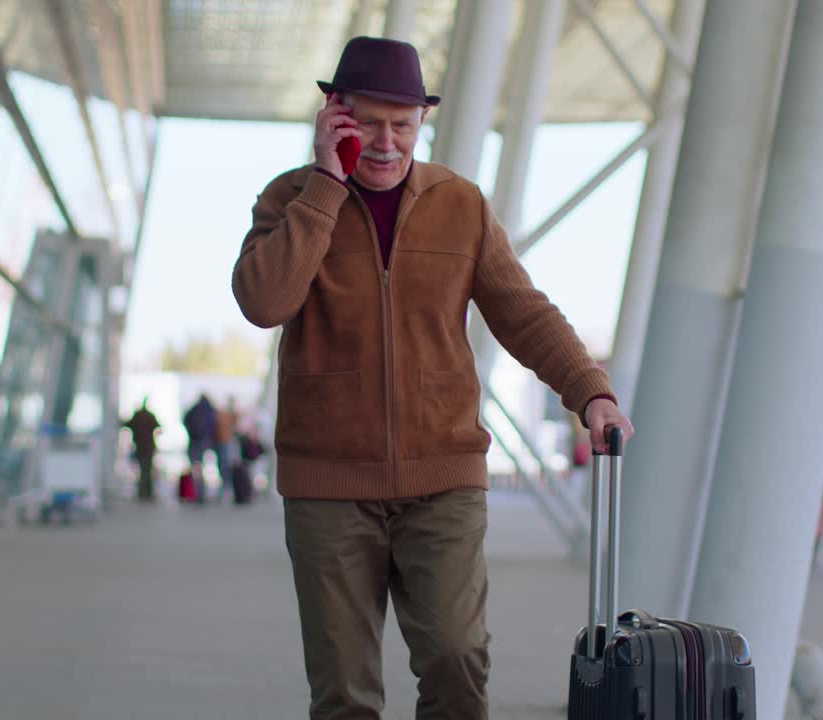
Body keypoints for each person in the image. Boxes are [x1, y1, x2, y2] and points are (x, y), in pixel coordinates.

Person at [231, 36, 633, 719]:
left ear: (423, 121)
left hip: (443, 479)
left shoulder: (461, 205)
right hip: (329, 486)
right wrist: (326, 185)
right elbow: (264, 302)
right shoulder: (290, 198)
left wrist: (590, 391)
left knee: (457, 658)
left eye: (403, 124)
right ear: (336, 115)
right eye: (369, 123)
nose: (387, 142)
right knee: (344, 692)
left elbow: (524, 312)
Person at [182, 393, 218, 503]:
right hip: (205, 442)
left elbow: (185, 420)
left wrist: (191, 433)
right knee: (204, 468)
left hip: (194, 442)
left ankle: (198, 493)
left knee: (197, 468)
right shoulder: (210, 410)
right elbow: (215, 424)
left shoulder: (194, 409)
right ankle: (201, 493)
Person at [124, 399, 161, 501]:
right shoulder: (149, 416)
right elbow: (158, 427)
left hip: (140, 446)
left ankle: (143, 492)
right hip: (148, 447)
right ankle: (147, 492)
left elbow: (127, 425)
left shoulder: (137, 416)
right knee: (146, 470)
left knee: (143, 470)